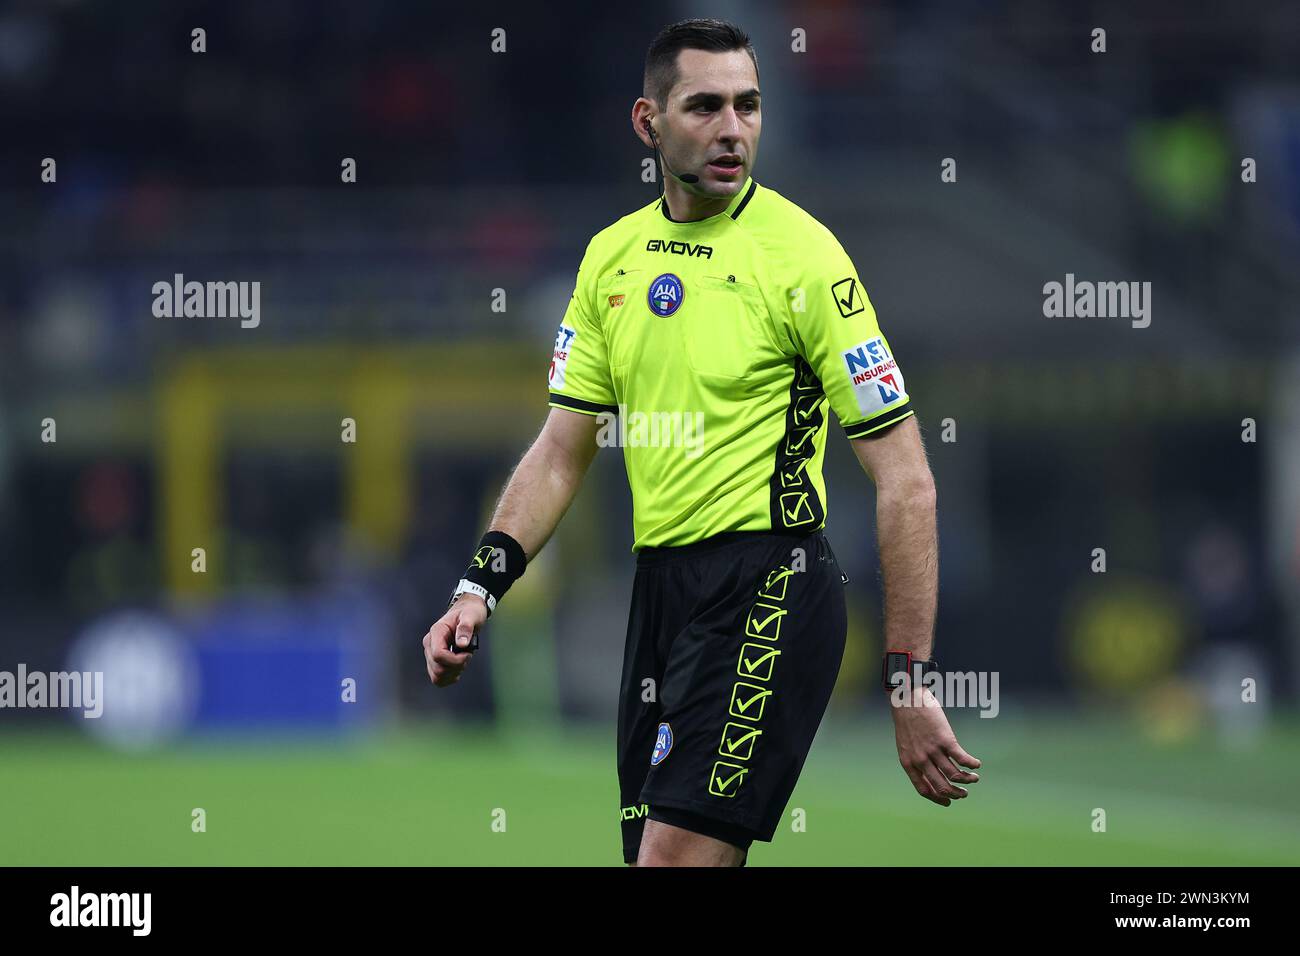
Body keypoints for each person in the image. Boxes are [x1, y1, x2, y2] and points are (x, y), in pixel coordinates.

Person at [423, 17, 980, 867]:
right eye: (705, 106)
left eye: (748, 105)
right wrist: (478, 586)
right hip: (663, 601)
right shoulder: (610, 260)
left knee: (671, 864)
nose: (733, 129)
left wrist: (909, 683)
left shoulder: (804, 259)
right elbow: (563, 448)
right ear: (648, 122)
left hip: (771, 587)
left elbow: (908, 482)